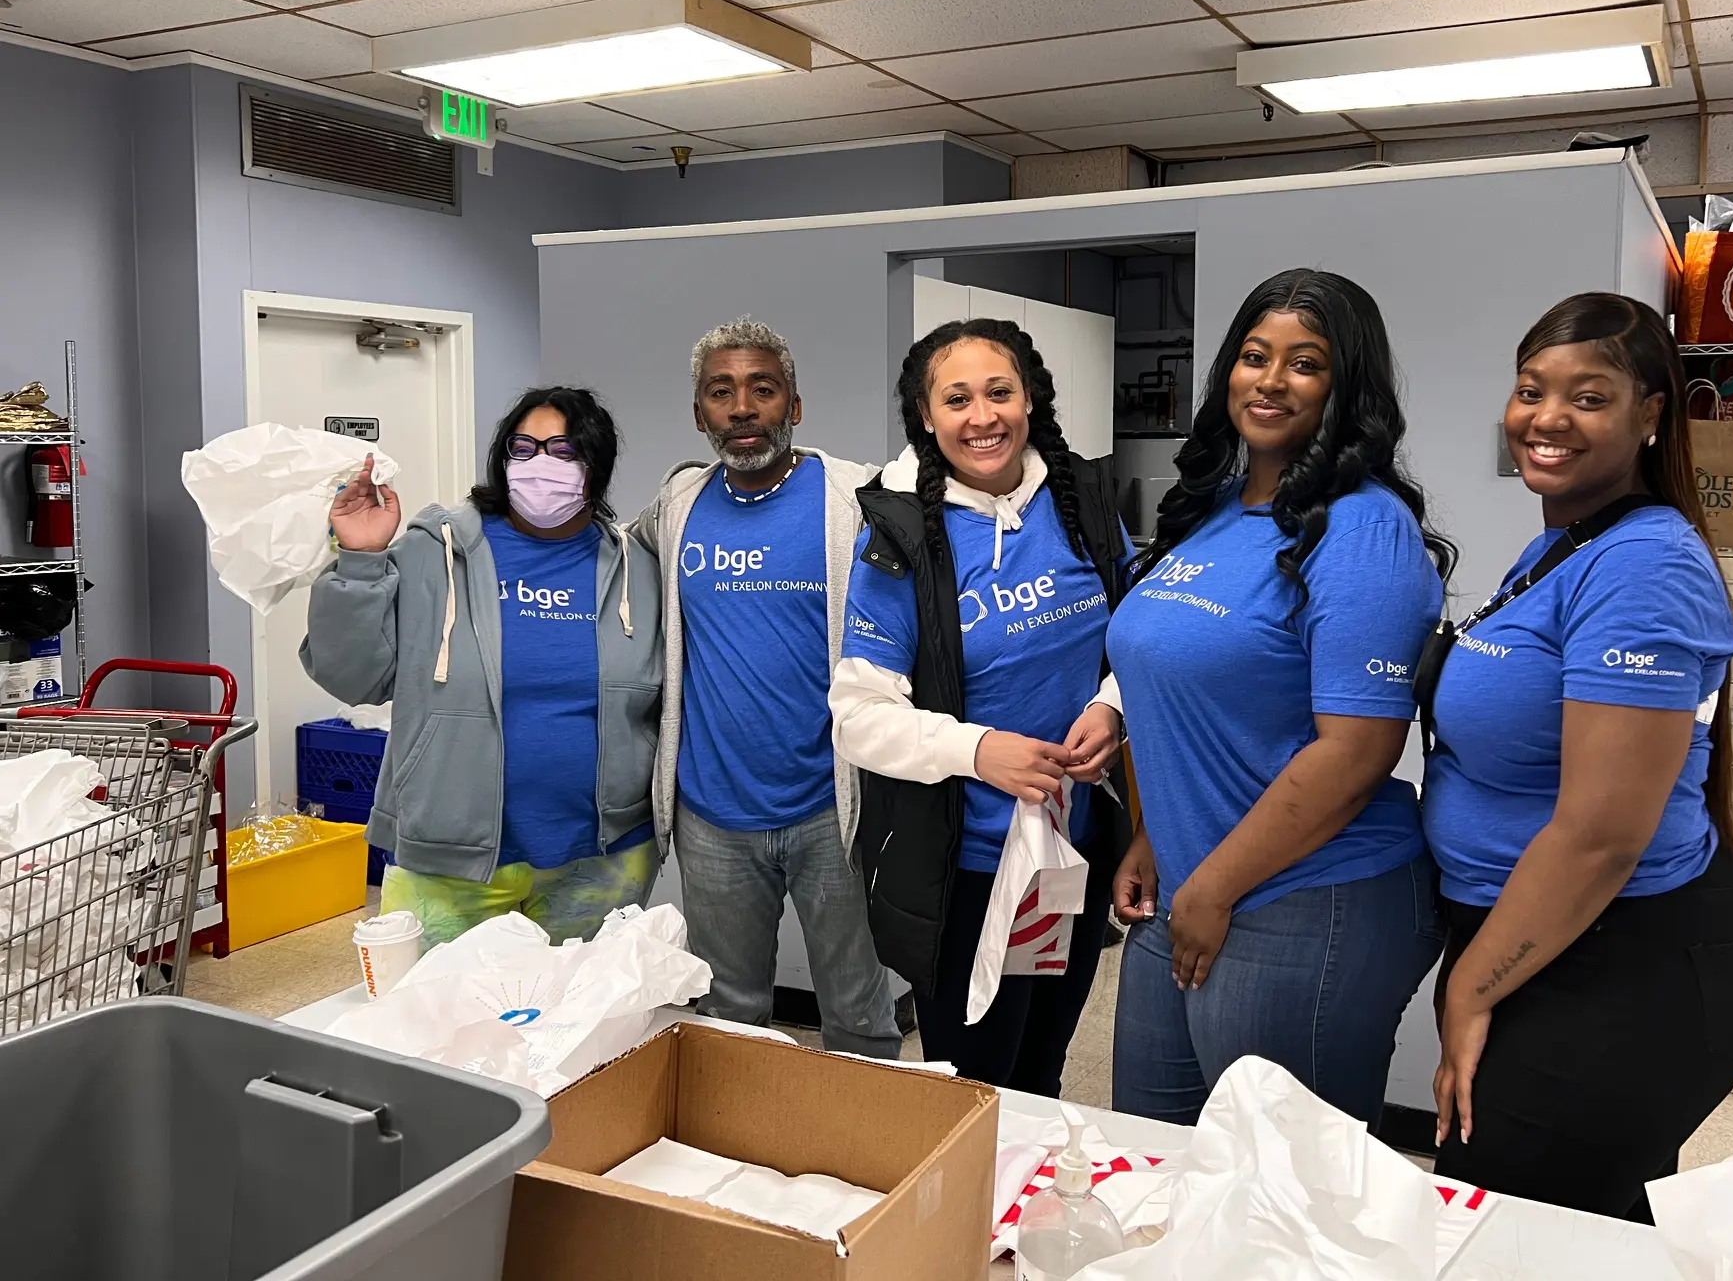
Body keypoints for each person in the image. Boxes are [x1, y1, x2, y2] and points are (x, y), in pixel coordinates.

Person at [1422, 292, 1733, 1221]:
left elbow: (1600, 835)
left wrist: (1469, 987)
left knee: (1512, 1225)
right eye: (1530, 390)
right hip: (1549, 949)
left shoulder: (1644, 565)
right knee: (1566, 1227)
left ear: (1650, 415)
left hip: (1623, 962)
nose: (1546, 418)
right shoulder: (1565, 546)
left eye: (1588, 397)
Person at [1100, 269, 1452, 1127]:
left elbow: (1357, 751)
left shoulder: (1363, 528)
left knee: (1284, 1204)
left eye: (1306, 363)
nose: (1271, 379)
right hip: (1190, 882)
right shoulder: (1212, 513)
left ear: (1346, 386)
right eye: (1255, 356)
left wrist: (1214, 886)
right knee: (1156, 1157)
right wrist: (1152, 833)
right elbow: (1165, 694)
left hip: (1309, 896)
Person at [829, 318, 1132, 1092]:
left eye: (999, 392)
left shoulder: (1083, 503)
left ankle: (1029, 1211)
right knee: (972, 1085)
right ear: (927, 418)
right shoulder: (902, 536)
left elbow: (1142, 635)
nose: (982, 416)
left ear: (1030, 399)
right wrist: (978, 750)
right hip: (966, 870)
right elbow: (859, 716)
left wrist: (1112, 705)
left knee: (1042, 1067)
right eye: (956, 399)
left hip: (1069, 854)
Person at [302, 387, 664, 946]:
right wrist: (361, 559)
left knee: (584, 1025)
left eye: (564, 451)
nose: (541, 464)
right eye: (524, 447)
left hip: (605, 858)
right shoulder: (435, 549)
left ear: (597, 464)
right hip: (450, 861)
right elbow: (353, 678)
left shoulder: (636, 566)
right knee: (441, 1026)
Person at [629, 318, 900, 1058]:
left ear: (795, 405)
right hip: (712, 815)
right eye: (722, 393)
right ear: (699, 416)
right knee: (729, 1012)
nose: (742, 408)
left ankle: (870, 1154)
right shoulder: (677, 508)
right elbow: (595, 552)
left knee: (858, 1012)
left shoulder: (857, 500)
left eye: (762, 389)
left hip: (833, 808)